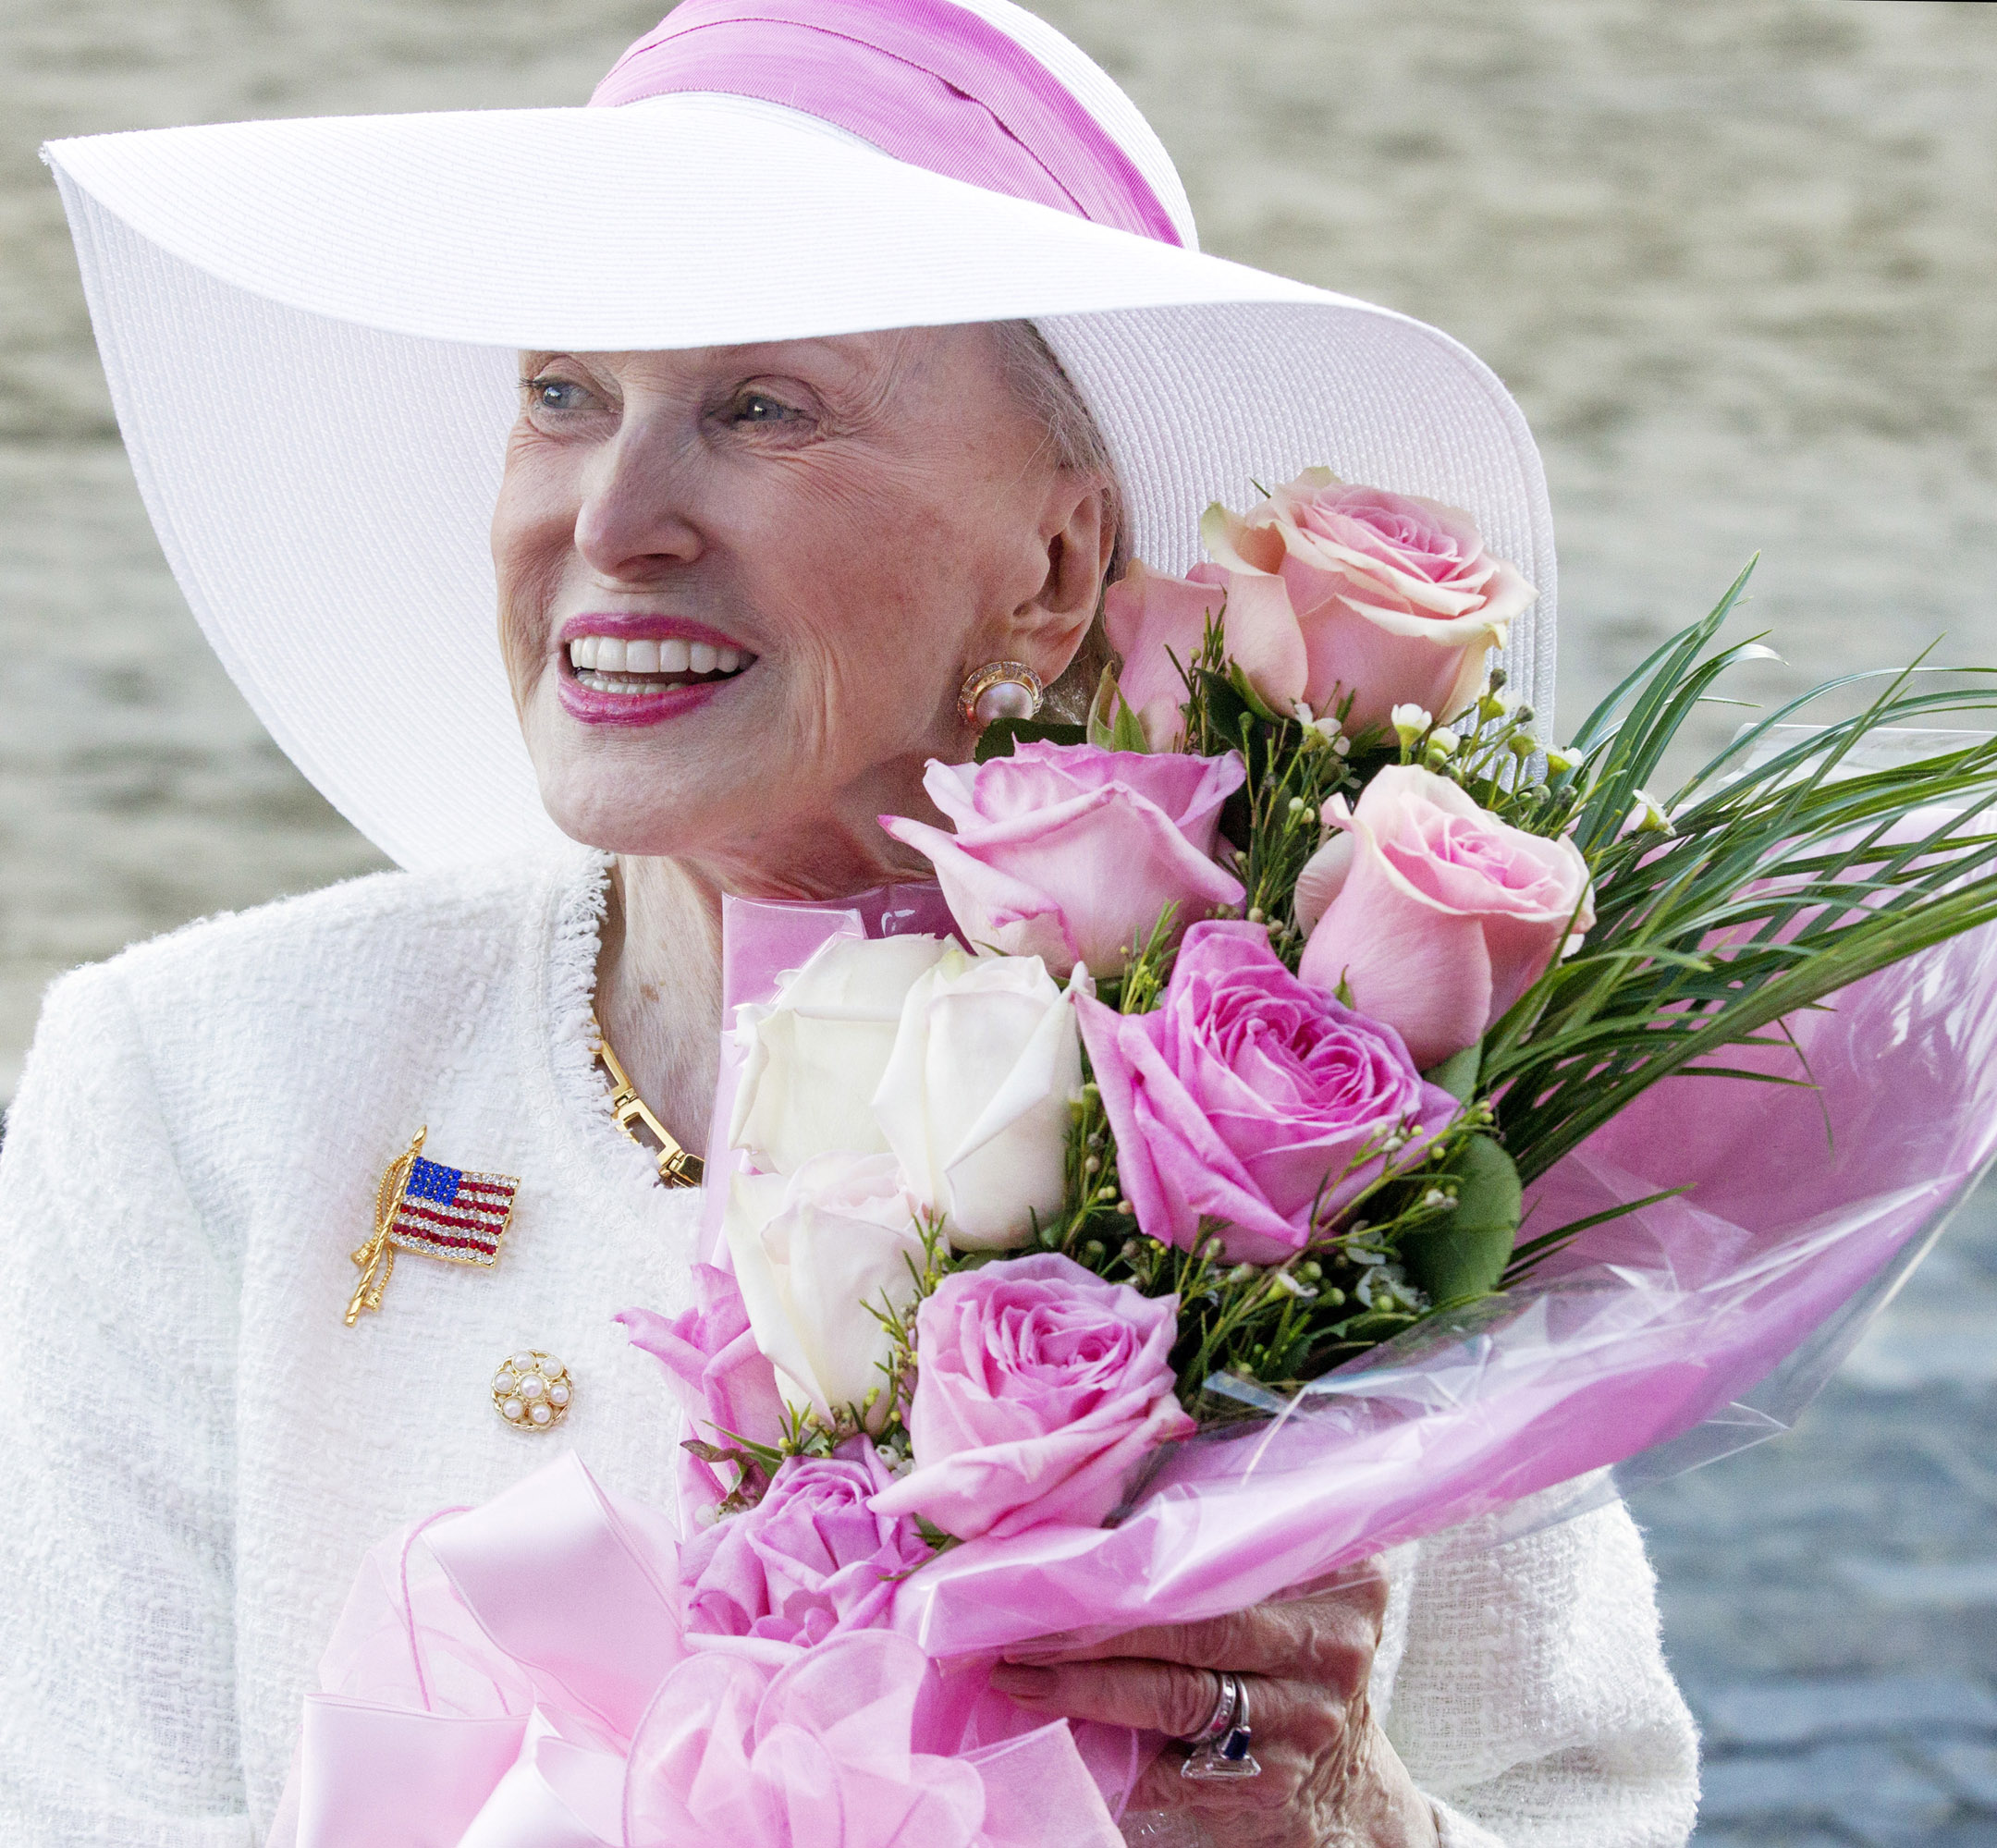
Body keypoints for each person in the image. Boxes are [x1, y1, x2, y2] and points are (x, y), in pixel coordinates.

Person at [4, 3, 1696, 1844]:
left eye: (759, 407)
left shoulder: (1338, 1117)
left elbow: (1585, 1809)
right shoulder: (194, 1085)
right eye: (564, 392)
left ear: (1053, 565)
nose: (614, 516)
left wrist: (1337, 1811)